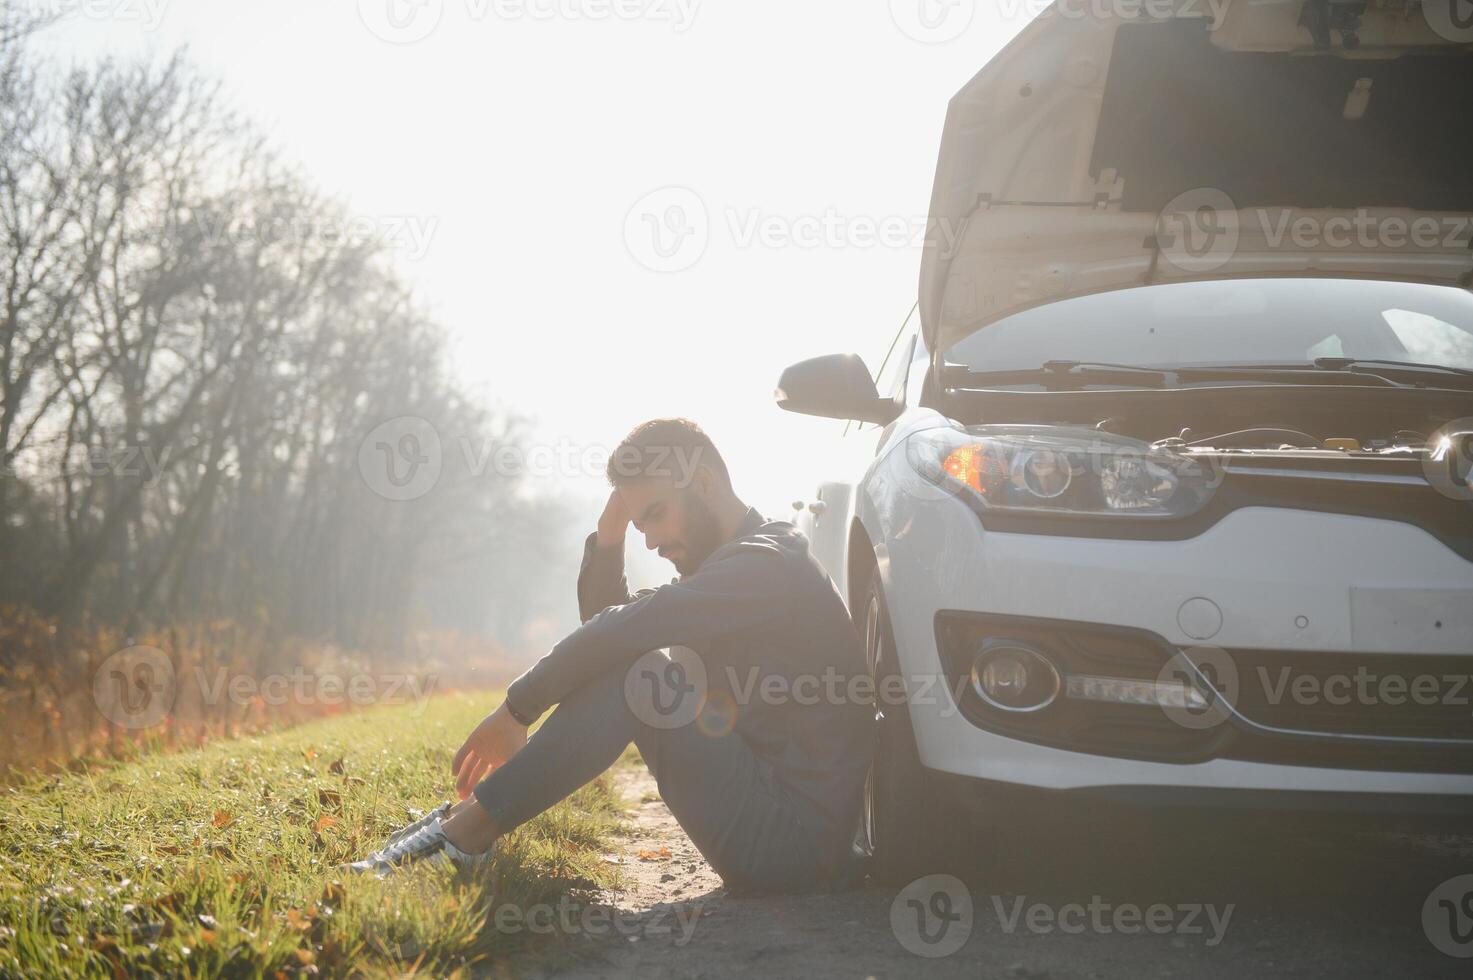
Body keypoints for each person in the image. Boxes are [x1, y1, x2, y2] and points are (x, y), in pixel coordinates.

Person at [346, 418, 875, 896]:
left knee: (635, 674)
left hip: (792, 843)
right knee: (632, 668)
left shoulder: (768, 563)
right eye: (639, 525)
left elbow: (619, 637)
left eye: (656, 515)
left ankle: (465, 836)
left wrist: (516, 711)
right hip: (771, 821)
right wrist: (610, 533)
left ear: (707, 485)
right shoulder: (732, 568)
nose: (650, 541)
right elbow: (611, 635)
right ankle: (465, 825)